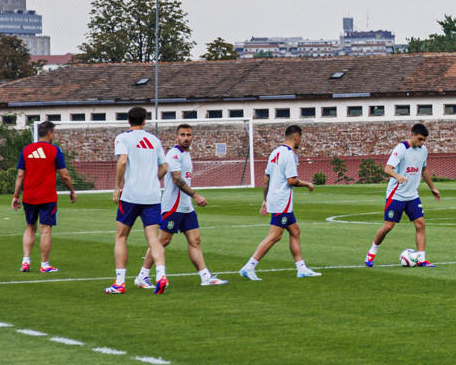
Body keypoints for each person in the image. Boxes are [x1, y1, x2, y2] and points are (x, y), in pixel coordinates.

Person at [137, 124, 225, 287]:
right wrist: (195, 195)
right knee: (162, 241)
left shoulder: (186, 155)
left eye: (189, 135)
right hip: (173, 206)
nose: (186, 138)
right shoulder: (174, 154)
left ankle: (205, 276)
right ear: (176, 137)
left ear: (192, 137)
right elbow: (176, 179)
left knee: (195, 240)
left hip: (186, 207)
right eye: (182, 135)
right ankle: (142, 276)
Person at [239, 126, 319, 281]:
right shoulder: (289, 155)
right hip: (282, 201)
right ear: (296, 137)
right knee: (275, 236)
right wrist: (307, 184)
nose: (300, 141)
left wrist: (265, 200)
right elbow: (291, 180)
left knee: (295, 231)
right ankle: (249, 266)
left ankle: (301, 268)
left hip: (275, 199)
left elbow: (266, 178)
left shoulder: (275, 153)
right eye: (300, 138)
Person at [106, 108, 169, 295]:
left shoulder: (123, 138)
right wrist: (152, 179)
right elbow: (164, 167)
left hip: (131, 196)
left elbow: (122, 161)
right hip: (152, 196)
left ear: (128, 121)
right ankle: (161, 275)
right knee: (153, 239)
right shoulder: (154, 140)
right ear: (145, 121)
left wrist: (117, 187)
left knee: (121, 236)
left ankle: (119, 282)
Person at [365, 124, 440, 268]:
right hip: (396, 195)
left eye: (424, 140)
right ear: (412, 135)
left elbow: (423, 169)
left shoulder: (423, 150)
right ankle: (371, 252)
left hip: (412, 196)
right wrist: (397, 176)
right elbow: (387, 169)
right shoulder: (401, 149)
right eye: (420, 139)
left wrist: (433, 188)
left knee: (421, 224)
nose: (422, 143)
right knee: (388, 227)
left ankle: (421, 259)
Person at [14, 120, 77, 274]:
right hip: (47, 196)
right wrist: (72, 190)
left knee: (30, 226)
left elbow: (20, 175)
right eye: (53, 132)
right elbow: (64, 175)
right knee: (45, 229)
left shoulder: (27, 149)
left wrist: (16, 195)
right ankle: (44, 264)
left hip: (29, 196)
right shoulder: (55, 150)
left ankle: (26, 262)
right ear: (49, 133)